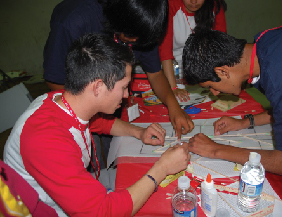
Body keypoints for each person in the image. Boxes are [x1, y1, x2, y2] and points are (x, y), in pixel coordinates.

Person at [4, 33, 191, 216]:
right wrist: (162, 169)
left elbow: (99, 124)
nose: (127, 95)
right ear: (98, 87)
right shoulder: (46, 140)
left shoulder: (65, 100)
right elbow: (103, 212)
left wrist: (139, 132)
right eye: (124, 87)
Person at [182, 17, 282, 176]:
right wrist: (246, 122)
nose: (214, 93)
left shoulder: (281, 79)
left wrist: (216, 149)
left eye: (210, 86)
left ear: (223, 71)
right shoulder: (265, 43)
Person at [43, 0, 194, 138]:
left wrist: (174, 107)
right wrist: (94, 114)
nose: (126, 95)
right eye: (132, 37)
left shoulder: (144, 28)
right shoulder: (75, 20)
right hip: (77, 108)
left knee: (113, 145)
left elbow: (155, 74)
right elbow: (56, 82)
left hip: (105, 109)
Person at [159, 0, 227, 101]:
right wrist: (173, 88)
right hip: (172, 73)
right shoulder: (171, 5)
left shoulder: (215, 6)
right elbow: (165, 52)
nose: (193, 1)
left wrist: (217, 80)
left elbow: (221, 48)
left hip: (205, 75)